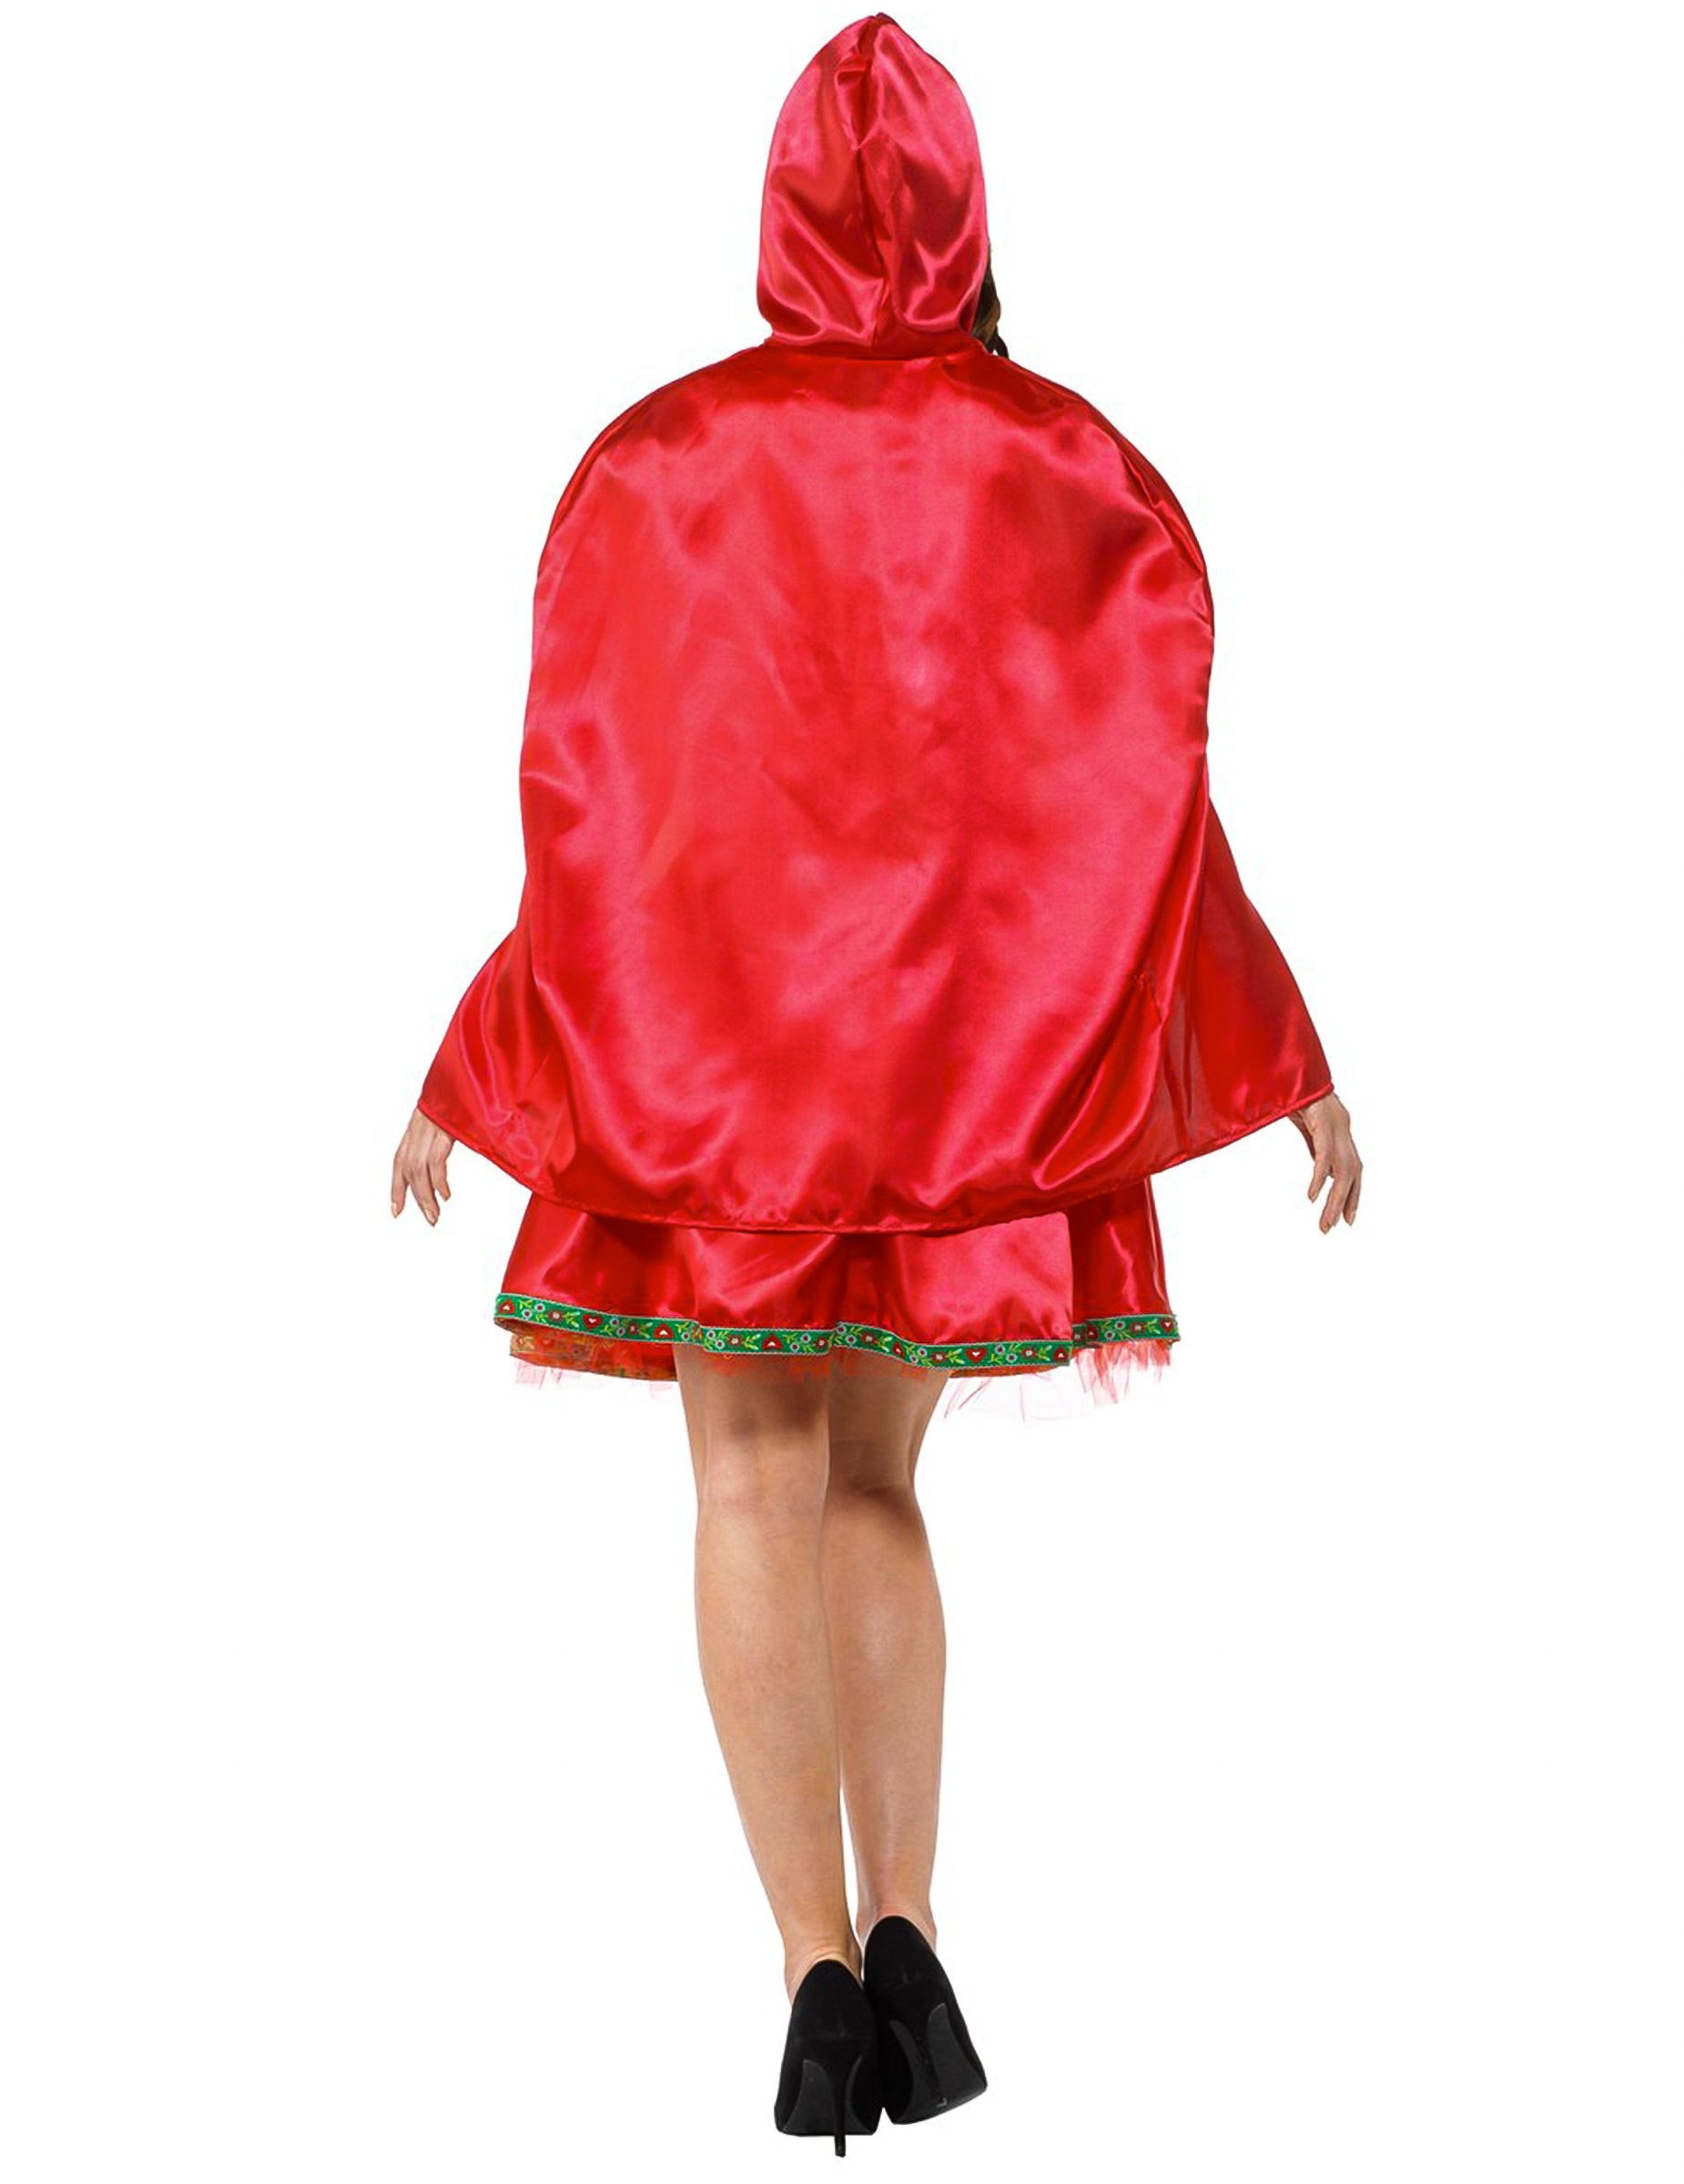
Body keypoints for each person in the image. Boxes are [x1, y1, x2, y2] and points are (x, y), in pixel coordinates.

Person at [390, 10, 1362, 2153]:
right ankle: (914, 1924)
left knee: (745, 1484)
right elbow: (1133, 813)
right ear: (970, 216)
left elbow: (606, 828)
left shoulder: (655, 471)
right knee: (874, 1490)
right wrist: (1280, 1048)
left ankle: (815, 1977)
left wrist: (479, 1059)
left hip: (721, 1102)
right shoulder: (1070, 468)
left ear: (774, 217)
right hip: (949, 1105)